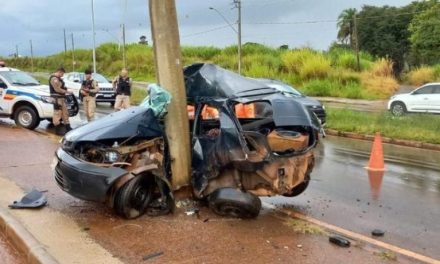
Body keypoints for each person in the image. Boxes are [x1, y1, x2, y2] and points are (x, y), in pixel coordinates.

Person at [49, 67, 72, 135]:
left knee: (65, 113)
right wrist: (67, 91)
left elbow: (62, 87)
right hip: (56, 99)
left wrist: (66, 89)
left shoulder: (59, 79)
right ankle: (58, 129)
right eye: (62, 74)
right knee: (57, 114)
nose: (62, 75)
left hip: (61, 98)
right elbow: (57, 89)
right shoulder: (54, 78)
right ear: (59, 72)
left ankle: (68, 127)